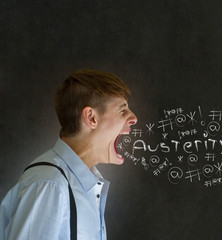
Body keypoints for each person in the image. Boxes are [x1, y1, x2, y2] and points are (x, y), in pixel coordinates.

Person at [0, 69, 137, 240]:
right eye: (123, 110)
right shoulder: (49, 184)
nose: (134, 118)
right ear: (91, 117)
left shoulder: (83, 184)